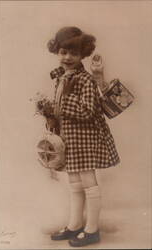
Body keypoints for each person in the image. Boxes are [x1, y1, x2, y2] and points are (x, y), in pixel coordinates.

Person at [47, 26, 120, 247]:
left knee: (88, 182)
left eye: (74, 53)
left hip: (86, 138)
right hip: (70, 137)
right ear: (56, 51)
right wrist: (50, 114)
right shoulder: (61, 77)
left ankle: (92, 230)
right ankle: (75, 225)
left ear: (83, 55)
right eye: (63, 52)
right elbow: (60, 109)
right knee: (74, 182)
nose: (67, 57)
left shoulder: (85, 80)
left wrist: (59, 108)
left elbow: (88, 111)